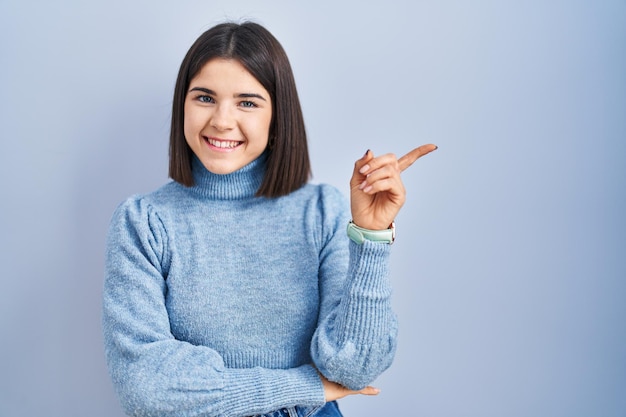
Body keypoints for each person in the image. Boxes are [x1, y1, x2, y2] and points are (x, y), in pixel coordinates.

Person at [102, 21, 436, 417]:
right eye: (204, 98)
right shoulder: (143, 222)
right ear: (183, 105)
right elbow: (149, 389)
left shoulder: (320, 211)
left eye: (247, 102)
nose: (222, 120)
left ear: (277, 117)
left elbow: (352, 367)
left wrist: (372, 237)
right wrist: (301, 385)